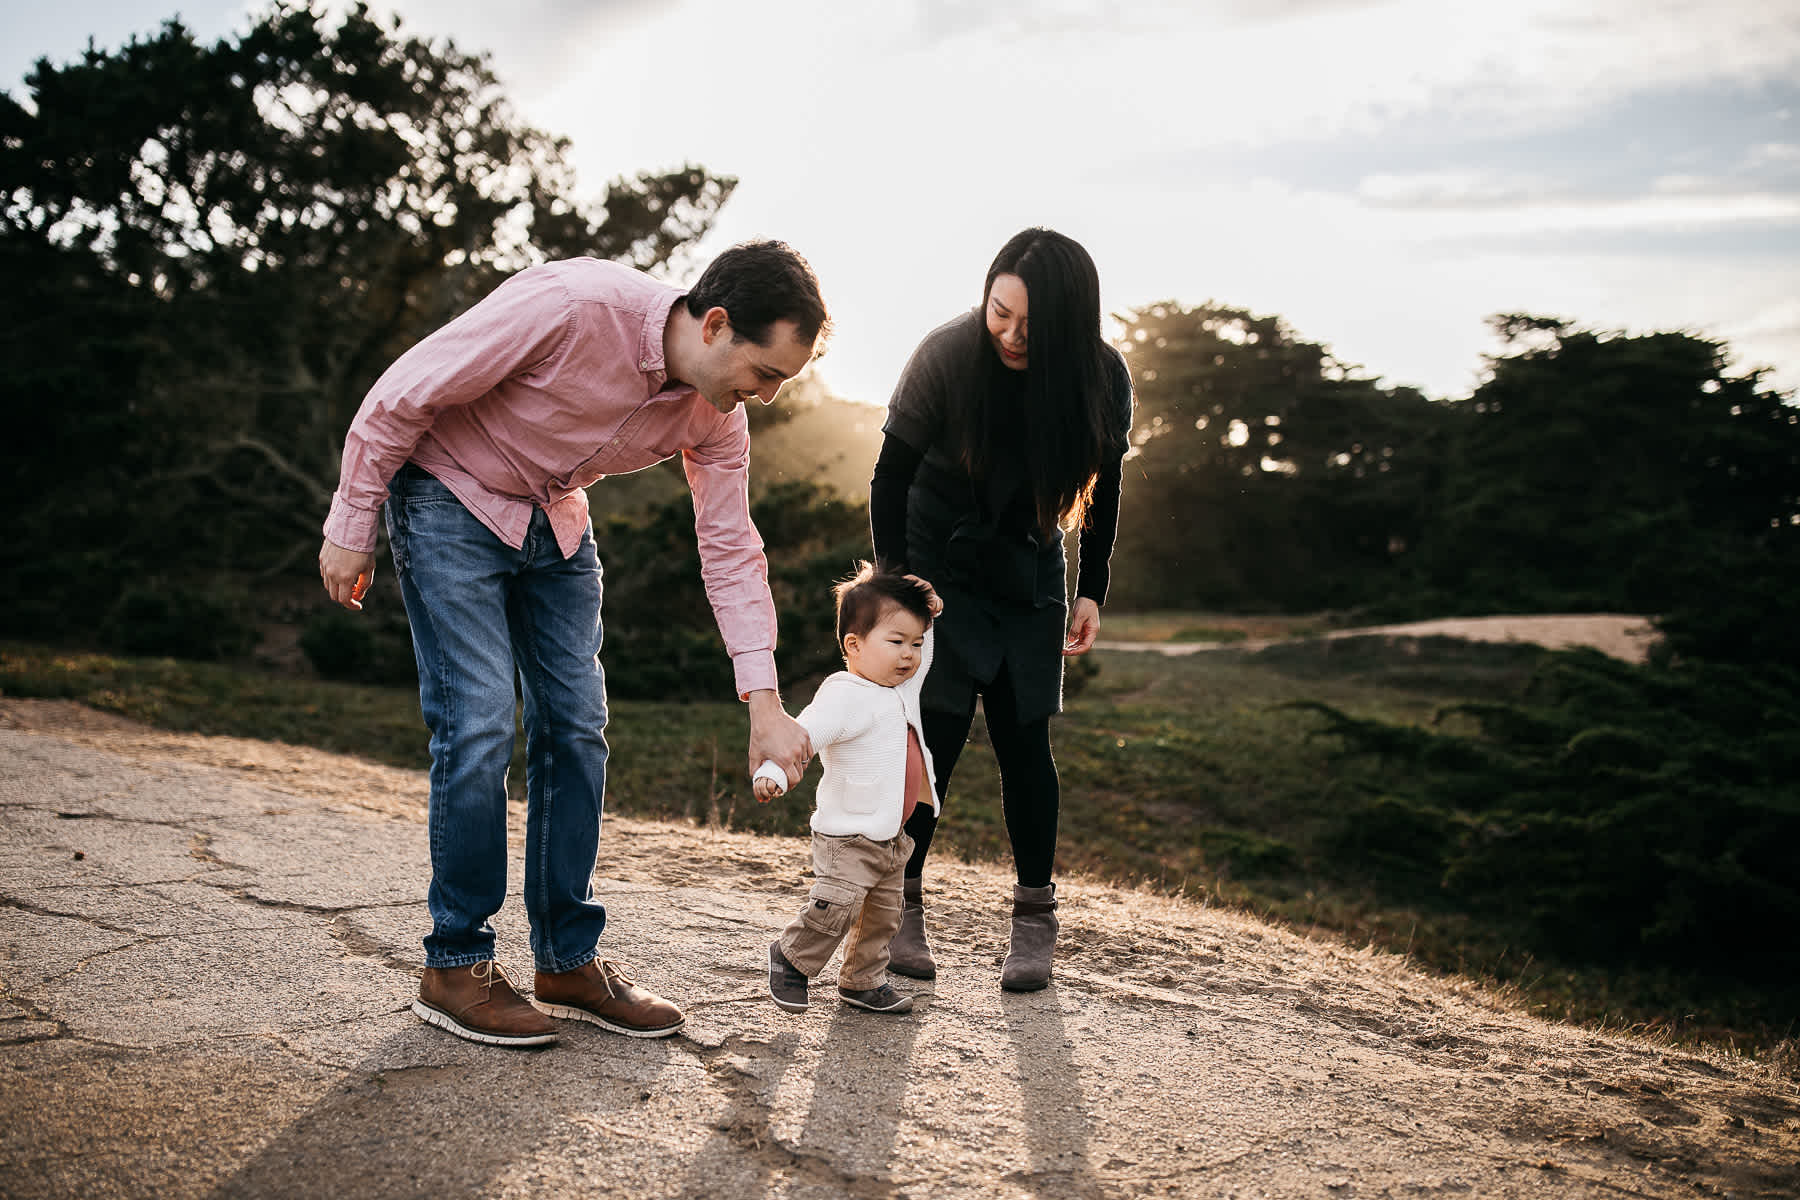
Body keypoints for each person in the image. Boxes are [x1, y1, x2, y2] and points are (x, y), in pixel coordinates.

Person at [318, 240, 829, 1047]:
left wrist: (764, 707)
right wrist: (351, 525)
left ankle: (565, 959)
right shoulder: (569, 306)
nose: (763, 398)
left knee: (577, 728)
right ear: (718, 324)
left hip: (552, 521)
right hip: (449, 494)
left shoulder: (715, 414)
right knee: (482, 721)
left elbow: (730, 545)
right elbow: (401, 393)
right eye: (764, 374)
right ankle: (455, 966)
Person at [870, 227, 1132, 992]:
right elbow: (889, 476)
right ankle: (899, 906)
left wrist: (1091, 589)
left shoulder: (1101, 375)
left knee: (1026, 745)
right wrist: (896, 586)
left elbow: (1107, 487)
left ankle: (1033, 919)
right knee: (935, 739)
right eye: (1000, 313)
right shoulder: (948, 353)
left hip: (1028, 565)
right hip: (937, 559)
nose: (1013, 336)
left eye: (1032, 323)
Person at [752, 564, 941, 1016]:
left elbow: (925, 640)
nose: (909, 655)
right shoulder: (845, 693)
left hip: (890, 838)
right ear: (854, 646)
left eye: (915, 645)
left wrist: (927, 602)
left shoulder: (902, 688)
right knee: (836, 906)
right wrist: (774, 773)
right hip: (848, 836)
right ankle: (791, 959)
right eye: (896, 643)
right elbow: (804, 736)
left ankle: (862, 981)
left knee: (883, 917)